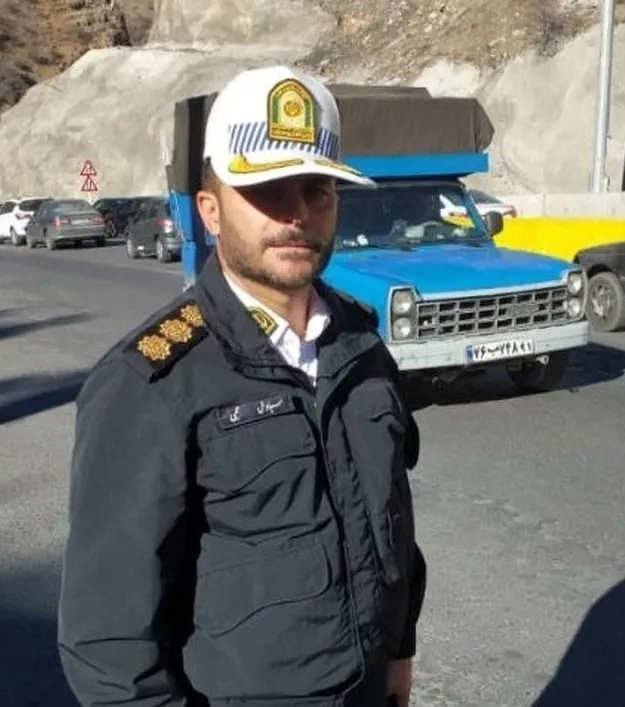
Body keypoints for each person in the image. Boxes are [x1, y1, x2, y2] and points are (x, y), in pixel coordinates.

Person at [57, 65, 427, 707]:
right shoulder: (151, 381)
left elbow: (392, 521)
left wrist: (399, 650)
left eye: (317, 190)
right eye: (267, 190)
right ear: (210, 210)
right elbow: (107, 636)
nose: (297, 214)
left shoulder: (360, 344)